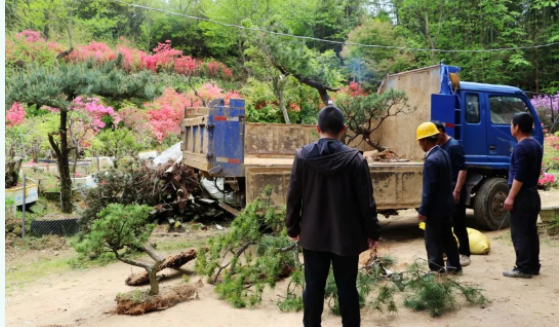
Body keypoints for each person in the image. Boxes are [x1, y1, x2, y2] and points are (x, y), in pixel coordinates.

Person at [286, 105, 380, 327]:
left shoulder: (302, 157)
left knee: (313, 287)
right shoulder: (356, 159)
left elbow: (293, 196)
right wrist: (372, 231)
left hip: (312, 237)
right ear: (343, 129)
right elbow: (366, 201)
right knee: (347, 288)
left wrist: (293, 228)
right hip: (346, 238)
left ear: (317, 128)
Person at [416, 122, 461, 274]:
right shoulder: (444, 154)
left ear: (426, 141)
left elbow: (429, 189)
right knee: (448, 237)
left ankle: (436, 269)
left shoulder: (431, 160)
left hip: (435, 210)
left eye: (420, 141)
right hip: (446, 207)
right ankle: (454, 266)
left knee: (432, 240)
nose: (419, 144)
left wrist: (423, 210)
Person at [503, 112, 543, 279]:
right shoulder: (536, 145)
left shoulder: (520, 147)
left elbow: (519, 175)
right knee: (530, 231)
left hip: (522, 196)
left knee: (519, 232)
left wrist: (511, 197)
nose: (510, 127)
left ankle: (523, 268)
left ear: (517, 127)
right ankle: (534, 265)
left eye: (512, 124)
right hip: (533, 194)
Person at [433, 121, 471, 267]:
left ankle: (465, 253)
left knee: (459, 224)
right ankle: (448, 251)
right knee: (446, 223)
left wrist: (457, 191)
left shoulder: (454, 146)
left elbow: (463, 169)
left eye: (435, 134)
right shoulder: (441, 146)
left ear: (441, 131)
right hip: (446, 191)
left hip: (456, 190)